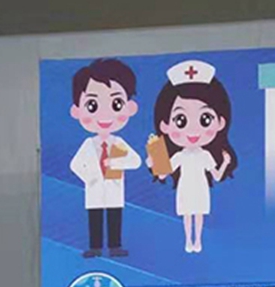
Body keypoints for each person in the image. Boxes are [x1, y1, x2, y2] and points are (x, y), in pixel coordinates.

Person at [146, 60, 237, 253]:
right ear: (165, 125)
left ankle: (198, 241)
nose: (193, 129)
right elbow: (163, 173)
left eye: (205, 119)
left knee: (199, 214)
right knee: (188, 215)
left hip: (201, 188)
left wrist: (225, 162)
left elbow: (217, 176)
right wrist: (154, 161)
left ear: (220, 122)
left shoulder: (205, 154)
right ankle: (189, 240)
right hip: (185, 188)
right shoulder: (180, 155)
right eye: (181, 120)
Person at [69, 58, 141, 258]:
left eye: (116, 104)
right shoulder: (88, 144)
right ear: (76, 111)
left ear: (130, 108)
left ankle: (115, 246)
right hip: (93, 190)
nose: (104, 115)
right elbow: (75, 165)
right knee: (95, 218)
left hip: (114, 189)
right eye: (92, 105)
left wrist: (115, 162)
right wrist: (89, 177)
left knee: (114, 217)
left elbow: (135, 161)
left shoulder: (118, 143)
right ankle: (95, 247)